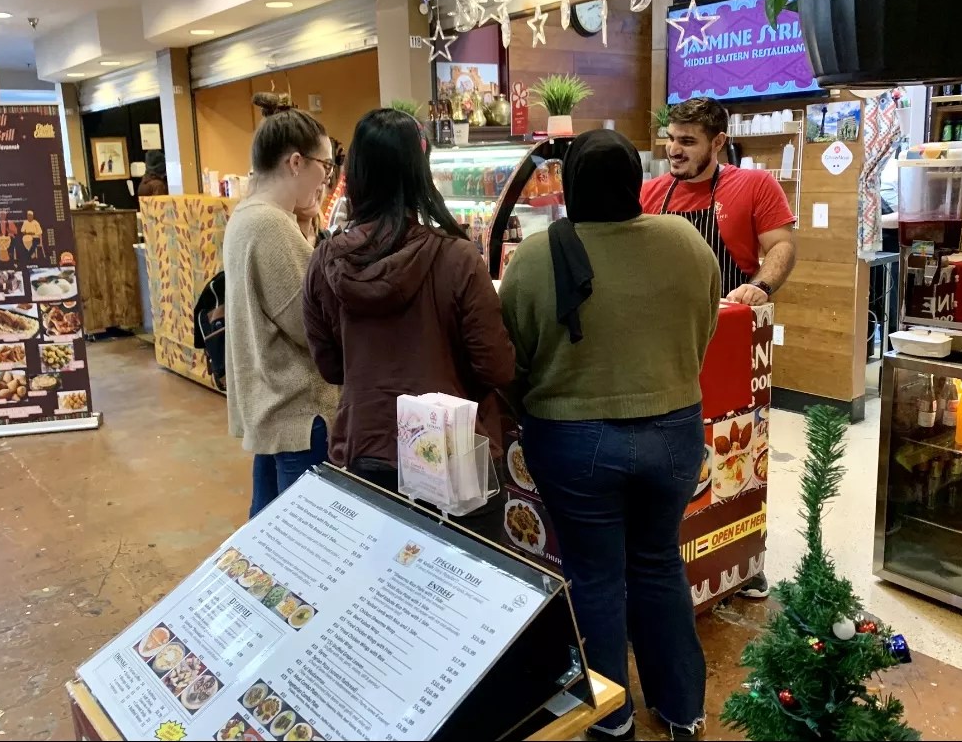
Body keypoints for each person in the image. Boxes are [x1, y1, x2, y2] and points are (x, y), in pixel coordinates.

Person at [500, 129, 720, 742]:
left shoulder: (535, 258)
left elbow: (514, 360)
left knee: (595, 578)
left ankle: (610, 719)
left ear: (570, 185)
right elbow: (704, 327)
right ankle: (682, 711)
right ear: (635, 181)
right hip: (674, 429)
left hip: (572, 440)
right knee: (658, 562)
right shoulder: (684, 239)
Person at [303, 108, 514, 493]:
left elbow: (330, 367)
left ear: (356, 174)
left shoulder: (325, 261)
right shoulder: (457, 258)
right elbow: (496, 367)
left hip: (364, 444)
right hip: (451, 451)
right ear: (420, 172)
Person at [641, 96, 796, 599]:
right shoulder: (651, 193)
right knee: (671, 465)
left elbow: (782, 246)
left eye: (688, 141)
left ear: (719, 142)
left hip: (727, 347)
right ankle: (673, 568)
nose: (675, 150)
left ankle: (742, 560)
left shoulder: (754, 186)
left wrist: (760, 287)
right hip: (662, 350)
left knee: (739, 452)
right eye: (671, 139)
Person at [223, 106, 340, 517]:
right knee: (306, 539)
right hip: (300, 415)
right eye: (325, 166)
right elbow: (312, 325)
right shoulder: (270, 225)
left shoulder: (245, 216)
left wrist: (307, 227)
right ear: (295, 163)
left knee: (269, 533)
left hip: (271, 409)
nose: (326, 179)